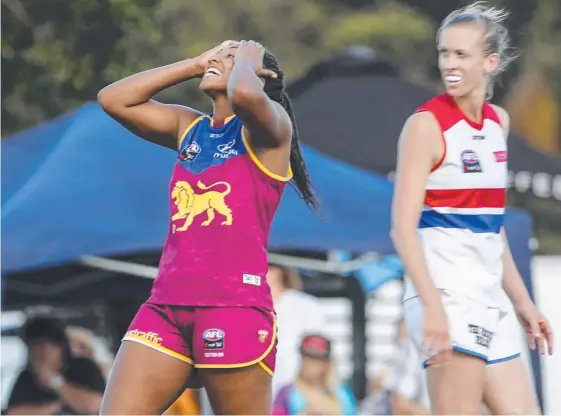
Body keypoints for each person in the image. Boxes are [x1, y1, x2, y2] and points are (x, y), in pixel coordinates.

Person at [97, 39, 318, 415]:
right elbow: (114, 98)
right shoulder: (190, 128)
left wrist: (252, 55)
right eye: (218, 53)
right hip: (166, 306)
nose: (219, 57)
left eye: (231, 57)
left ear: (261, 75)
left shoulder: (270, 132)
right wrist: (193, 64)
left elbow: (246, 95)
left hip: (232, 308)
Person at [391, 2, 554, 414]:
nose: (449, 63)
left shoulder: (498, 123)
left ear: (490, 62)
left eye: (461, 54)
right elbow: (402, 230)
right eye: (444, 52)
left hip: (488, 299)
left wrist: (522, 302)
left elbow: (489, 228)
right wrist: (432, 307)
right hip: (445, 295)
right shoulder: (424, 126)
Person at [6, 316, 105, 415]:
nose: (36, 353)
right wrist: (54, 407)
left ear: (59, 347)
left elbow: (95, 405)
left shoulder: (84, 367)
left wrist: (56, 382)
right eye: (31, 347)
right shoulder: (26, 377)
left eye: (41, 347)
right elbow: (14, 413)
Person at [267, 264, 327, 397]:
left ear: (278, 271)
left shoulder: (305, 305)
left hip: (298, 393)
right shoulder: (251, 308)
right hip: (262, 392)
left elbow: (320, 350)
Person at [272, 334, 356, 415]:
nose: (310, 363)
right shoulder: (286, 393)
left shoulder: (343, 394)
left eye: (316, 358)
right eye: (306, 357)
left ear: (327, 363)